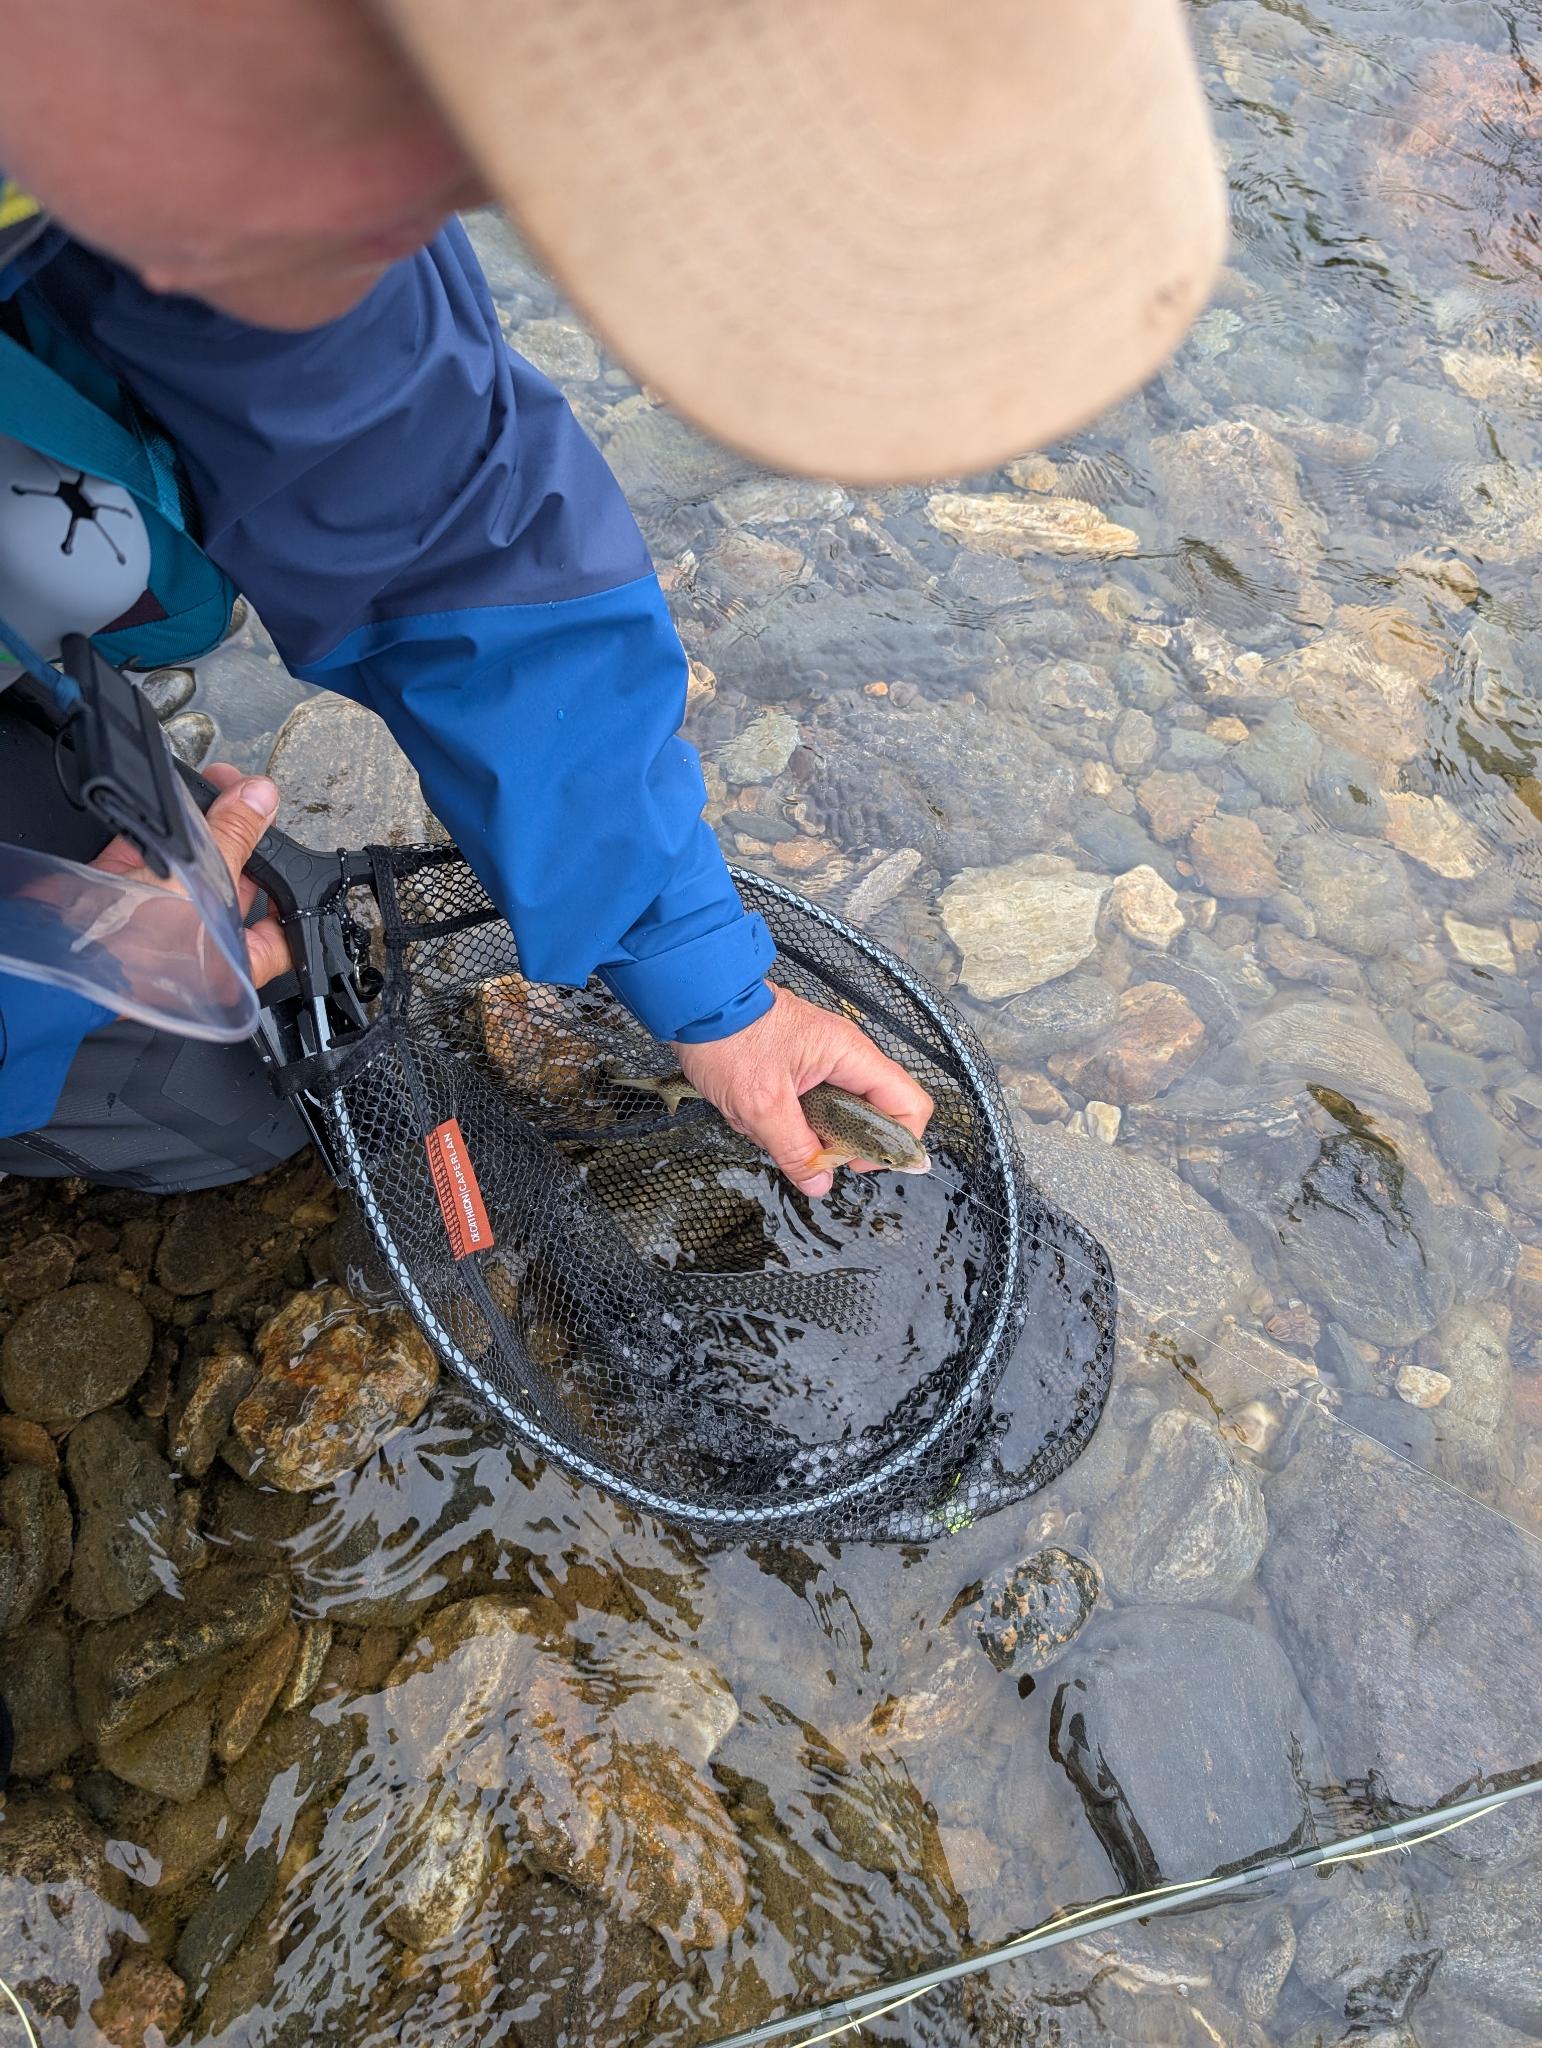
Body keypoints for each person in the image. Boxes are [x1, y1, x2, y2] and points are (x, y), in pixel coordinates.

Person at [0, 0, 1223, 1200]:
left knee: (229, 920)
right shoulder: (288, 101)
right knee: (195, 1083)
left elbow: (444, 523)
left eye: (497, 169)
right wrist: (43, 975)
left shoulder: (275, 97)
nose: (412, 215)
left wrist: (706, 983)